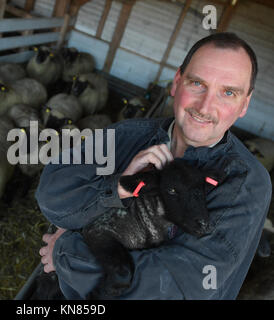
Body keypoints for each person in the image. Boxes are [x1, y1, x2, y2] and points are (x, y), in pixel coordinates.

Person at [35, 32, 272, 299]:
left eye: (228, 92)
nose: (205, 107)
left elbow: (174, 287)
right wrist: (116, 189)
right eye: (197, 83)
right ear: (177, 83)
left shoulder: (245, 181)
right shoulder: (128, 135)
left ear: (244, 104)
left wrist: (66, 251)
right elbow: (52, 197)